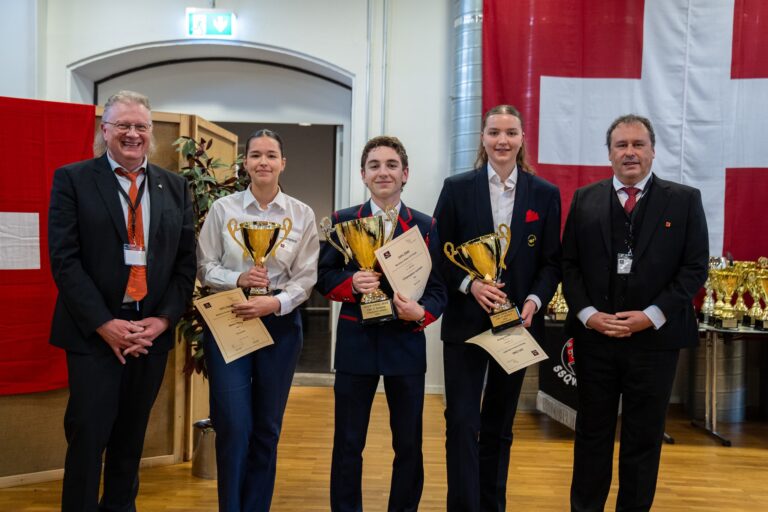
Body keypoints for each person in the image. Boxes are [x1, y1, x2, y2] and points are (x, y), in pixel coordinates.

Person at [47, 90, 196, 511]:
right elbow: (64, 260)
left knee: (131, 442)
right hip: (94, 336)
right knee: (87, 437)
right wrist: (104, 324)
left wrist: (163, 321)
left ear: (151, 133)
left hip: (149, 336)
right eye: (123, 125)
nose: (133, 134)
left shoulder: (176, 187)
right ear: (105, 130)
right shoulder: (73, 179)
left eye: (141, 126)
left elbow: (186, 264)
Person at [562, 114, 709, 512]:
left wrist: (653, 315)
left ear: (653, 151)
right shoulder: (584, 199)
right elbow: (569, 266)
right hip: (597, 341)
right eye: (621, 145)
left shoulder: (684, 200)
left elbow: (695, 268)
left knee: (643, 441)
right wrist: (589, 314)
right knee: (592, 436)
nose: (630, 152)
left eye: (638, 144)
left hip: (655, 343)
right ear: (608, 154)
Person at [433, 104, 562, 511]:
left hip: (517, 328)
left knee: (500, 426)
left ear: (522, 138)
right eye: (493, 132)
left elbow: (552, 261)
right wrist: (471, 285)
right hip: (466, 324)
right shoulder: (456, 188)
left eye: (510, 132)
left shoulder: (544, 194)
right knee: (461, 423)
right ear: (483, 138)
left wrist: (533, 301)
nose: (502, 140)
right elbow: (438, 254)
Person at [316, 135, 447, 511]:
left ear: (405, 174)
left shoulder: (425, 225)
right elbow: (324, 278)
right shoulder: (342, 222)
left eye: (391, 165)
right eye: (374, 165)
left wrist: (422, 314)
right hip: (356, 345)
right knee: (347, 443)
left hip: (405, 344)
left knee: (408, 444)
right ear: (363, 174)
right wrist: (351, 284)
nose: (383, 172)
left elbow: (438, 290)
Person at [197, 128, 319, 511]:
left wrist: (277, 303)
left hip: (280, 327)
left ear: (283, 162)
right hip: (230, 322)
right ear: (245, 162)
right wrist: (237, 279)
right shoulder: (223, 209)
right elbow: (204, 266)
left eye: (270, 155)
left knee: (267, 428)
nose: (263, 162)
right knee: (233, 425)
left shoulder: (301, 214)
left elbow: (306, 276)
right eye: (255, 155)